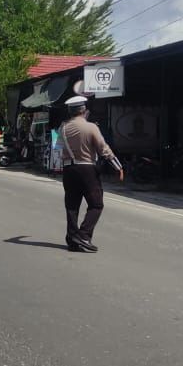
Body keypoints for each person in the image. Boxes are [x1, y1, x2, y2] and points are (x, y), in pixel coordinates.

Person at [58, 96, 123, 252]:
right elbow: (103, 149)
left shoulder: (63, 128)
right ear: (83, 110)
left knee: (72, 205)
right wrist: (118, 166)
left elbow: (58, 147)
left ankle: (73, 239)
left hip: (68, 169)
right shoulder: (91, 127)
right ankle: (84, 235)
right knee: (96, 204)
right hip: (86, 169)